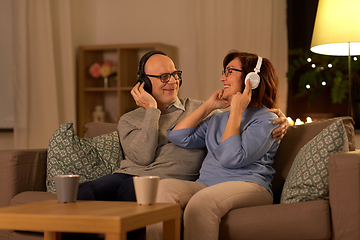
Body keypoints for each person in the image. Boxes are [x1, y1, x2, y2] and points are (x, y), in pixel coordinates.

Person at [76, 50, 288, 204]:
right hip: (127, 176)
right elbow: (143, 156)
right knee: (82, 193)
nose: (173, 81)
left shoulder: (203, 110)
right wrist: (151, 110)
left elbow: (245, 122)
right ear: (145, 83)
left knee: (134, 197)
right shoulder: (130, 119)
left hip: (166, 182)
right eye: (163, 77)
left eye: (175, 74)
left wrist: (280, 117)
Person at [149, 51, 281, 240]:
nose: (222, 78)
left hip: (250, 185)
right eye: (224, 72)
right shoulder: (219, 117)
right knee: (163, 189)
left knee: (201, 203)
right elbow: (178, 136)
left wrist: (236, 110)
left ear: (252, 78)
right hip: (208, 185)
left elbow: (231, 158)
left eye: (229, 72)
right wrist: (209, 106)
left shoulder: (268, 119)